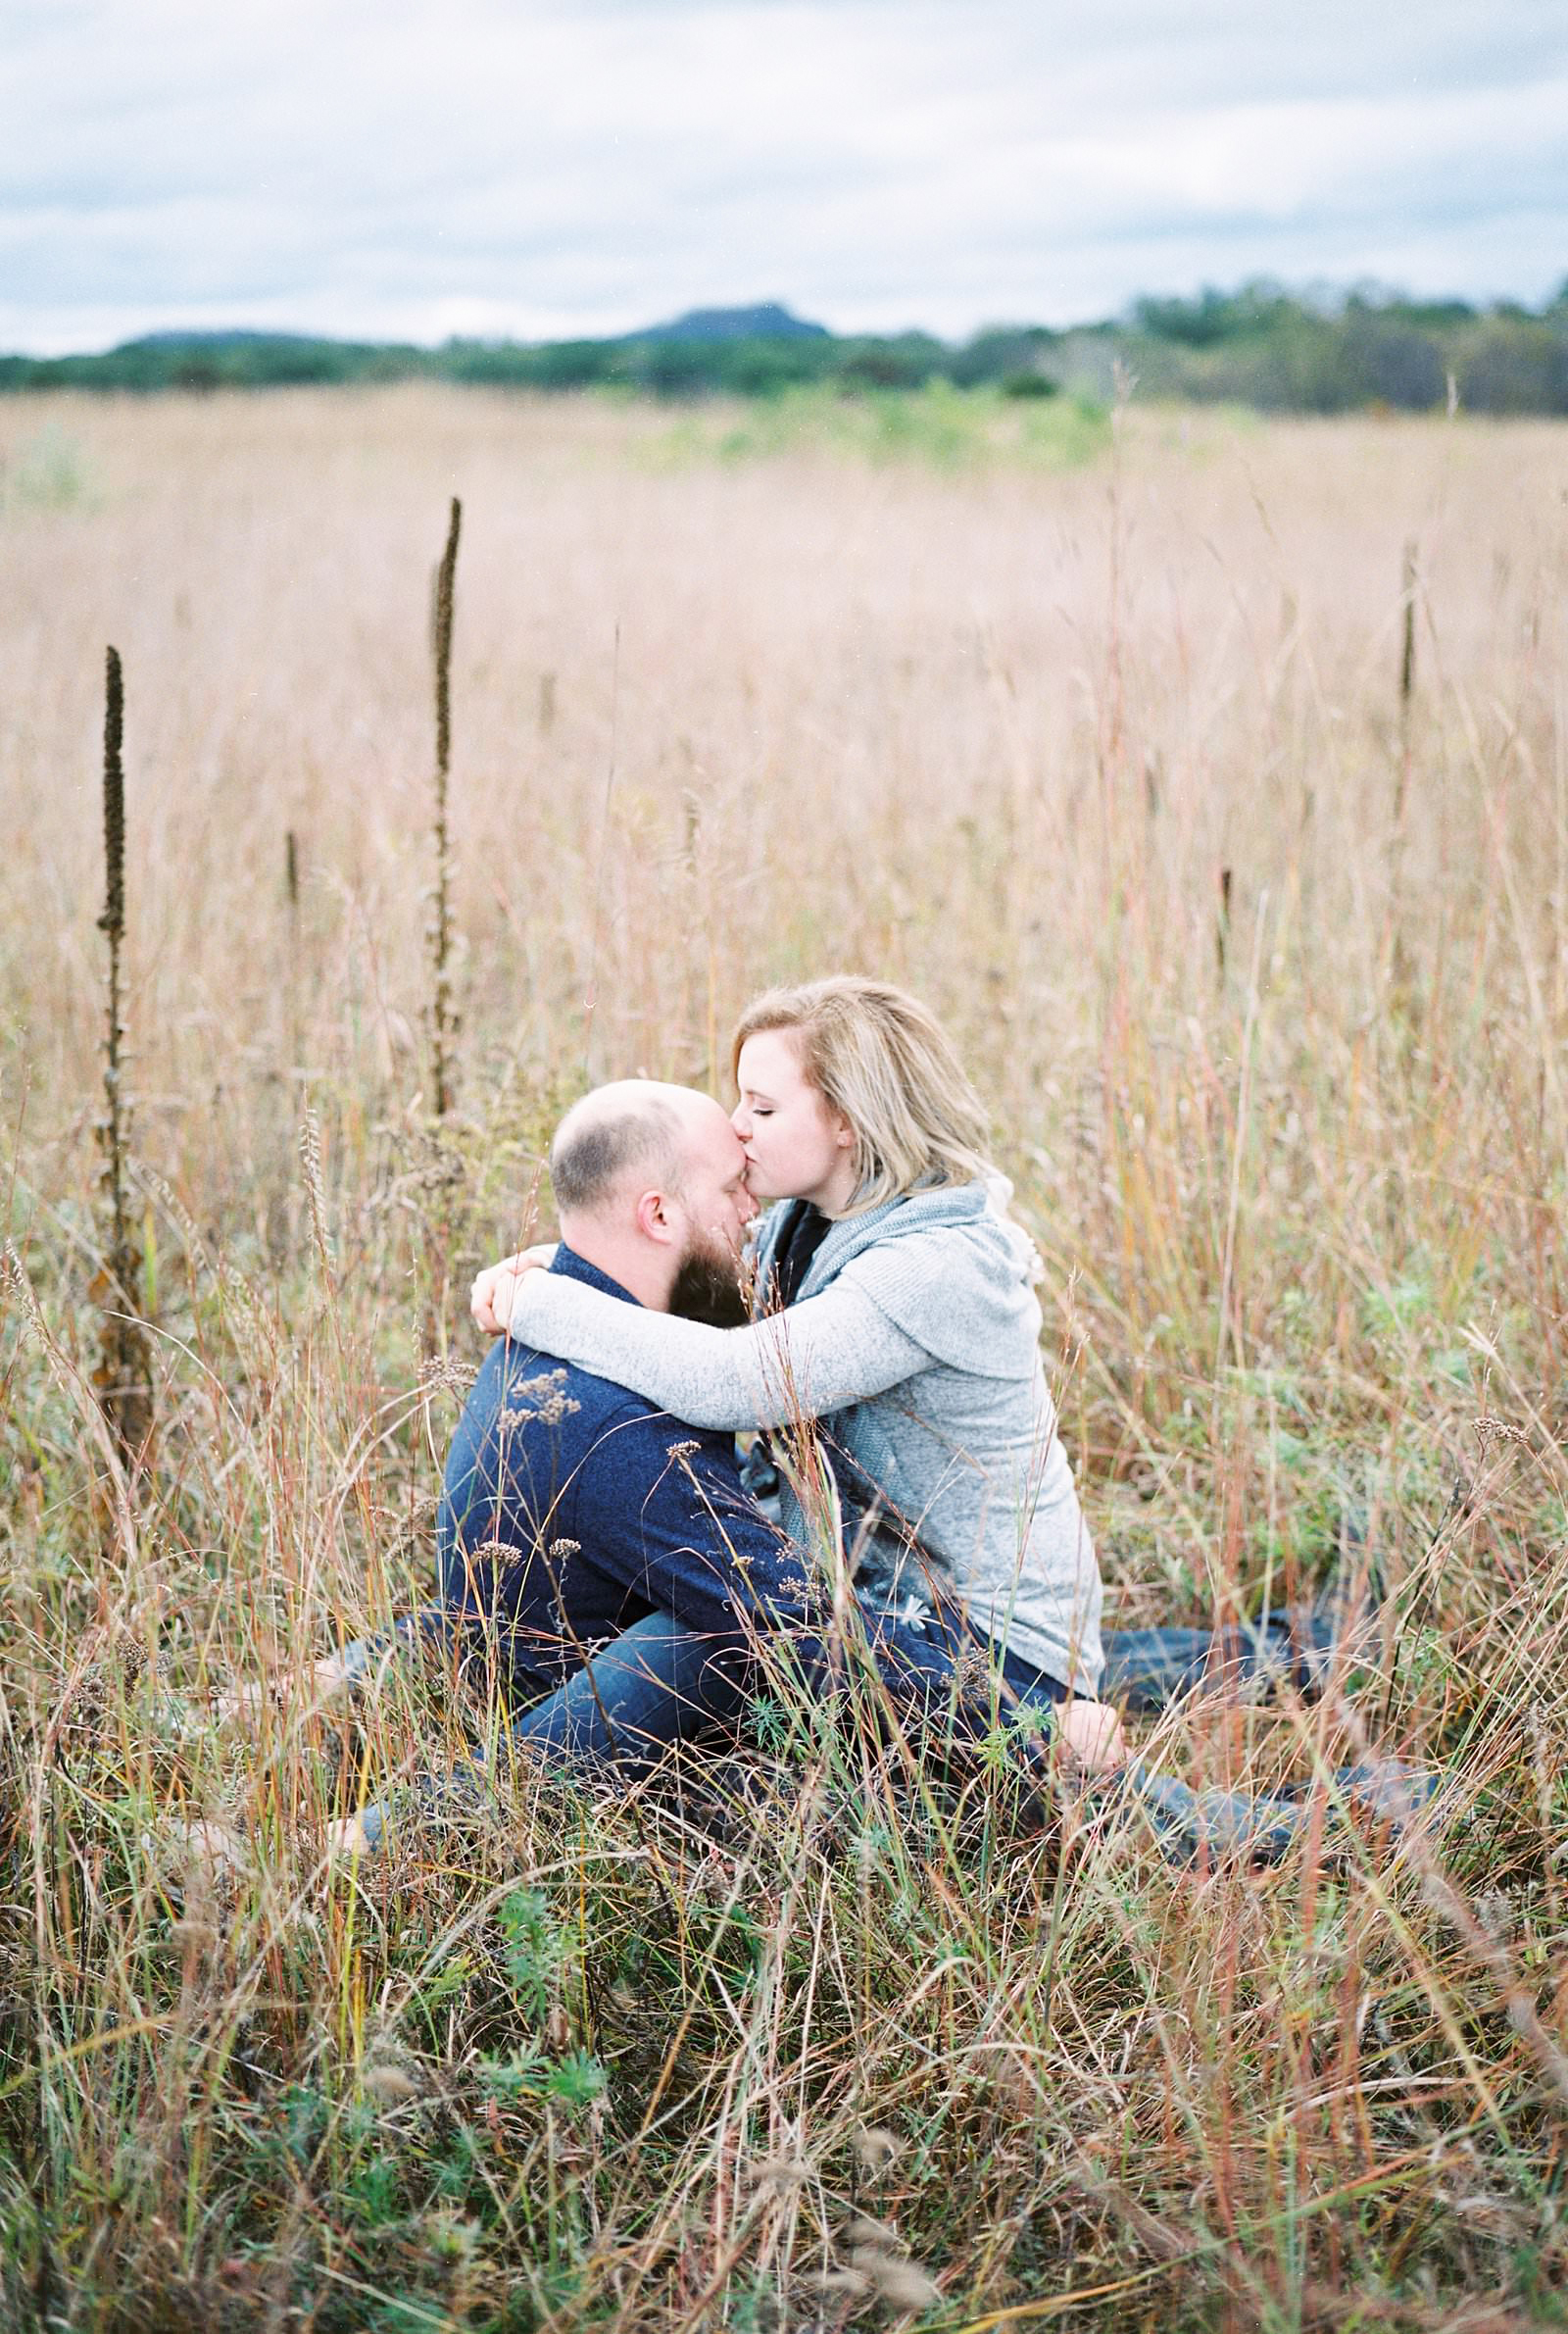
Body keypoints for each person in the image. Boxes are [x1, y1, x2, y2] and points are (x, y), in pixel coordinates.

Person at [329, 1079, 1116, 1857]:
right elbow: (797, 1623)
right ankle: (372, 1844)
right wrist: (1037, 1728)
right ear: (659, 1213)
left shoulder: (582, 1339)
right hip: (595, 1765)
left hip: (536, 1675)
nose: (754, 1210)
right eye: (735, 1186)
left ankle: (1234, 1652)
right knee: (703, 1637)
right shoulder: (616, 1430)